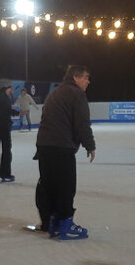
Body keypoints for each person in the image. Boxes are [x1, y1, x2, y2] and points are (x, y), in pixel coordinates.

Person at [36, 65, 96, 240]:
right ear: (76, 77)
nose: (88, 81)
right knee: (65, 186)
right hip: (61, 147)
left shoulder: (55, 92)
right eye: (85, 77)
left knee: (51, 185)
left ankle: (53, 222)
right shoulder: (76, 94)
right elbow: (82, 123)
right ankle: (66, 224)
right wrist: (90, 145)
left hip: (44, 145)